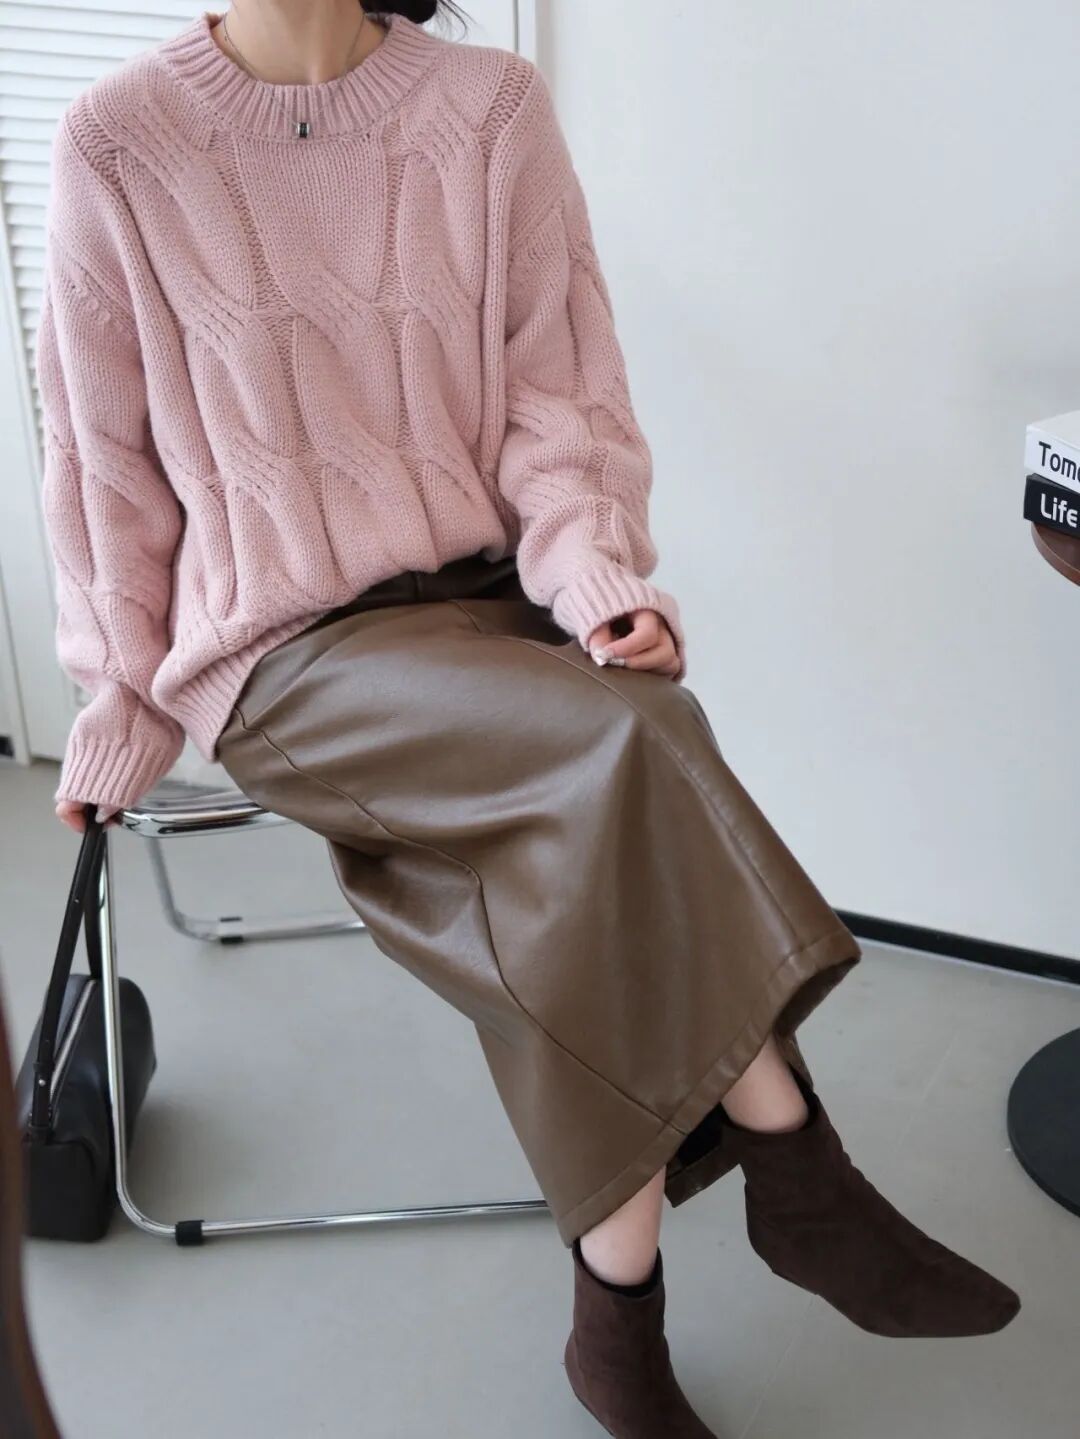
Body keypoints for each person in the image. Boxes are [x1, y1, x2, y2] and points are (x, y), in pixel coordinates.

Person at [35, 4, 1019, 1434]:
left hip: (494, 607)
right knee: (629, 745)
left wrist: (595, 582)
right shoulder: (119, 142)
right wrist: (119, 701)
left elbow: (563, 404)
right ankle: (797, 1165)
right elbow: (101, 467)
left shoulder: (488, 110)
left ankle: (617, 1321)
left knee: (586, 841)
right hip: (284, 654)